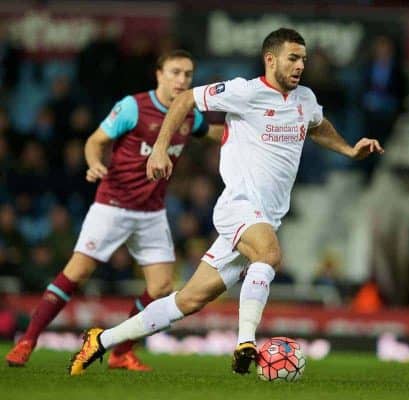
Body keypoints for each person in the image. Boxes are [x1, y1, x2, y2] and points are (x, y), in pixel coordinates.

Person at [68, 28, 383, 376]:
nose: (300, 66)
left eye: (303, 60)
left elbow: (318, 125)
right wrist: (159, 148)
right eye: (293, 58)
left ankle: (101, 340)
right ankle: (245, 342)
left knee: (188, 300)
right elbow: (186, 99)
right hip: (239, 206)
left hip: (267, 216)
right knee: (270, 255)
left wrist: (349, 149)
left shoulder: (304, 99)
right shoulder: (244, 91)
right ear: (271, 59)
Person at [6, 49, 223, 370]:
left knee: (162, 287)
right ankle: (27, 340)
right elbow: (95, 140)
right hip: (113, 205)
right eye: (175, 72)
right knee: (77, 272)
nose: (182, 80)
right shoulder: (133, 106)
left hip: (152, 212)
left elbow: (216, 133)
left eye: (188, 75)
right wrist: (94, 163)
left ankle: (121, 351)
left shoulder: (190, 114)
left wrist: (253, 131)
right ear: (159, 74)